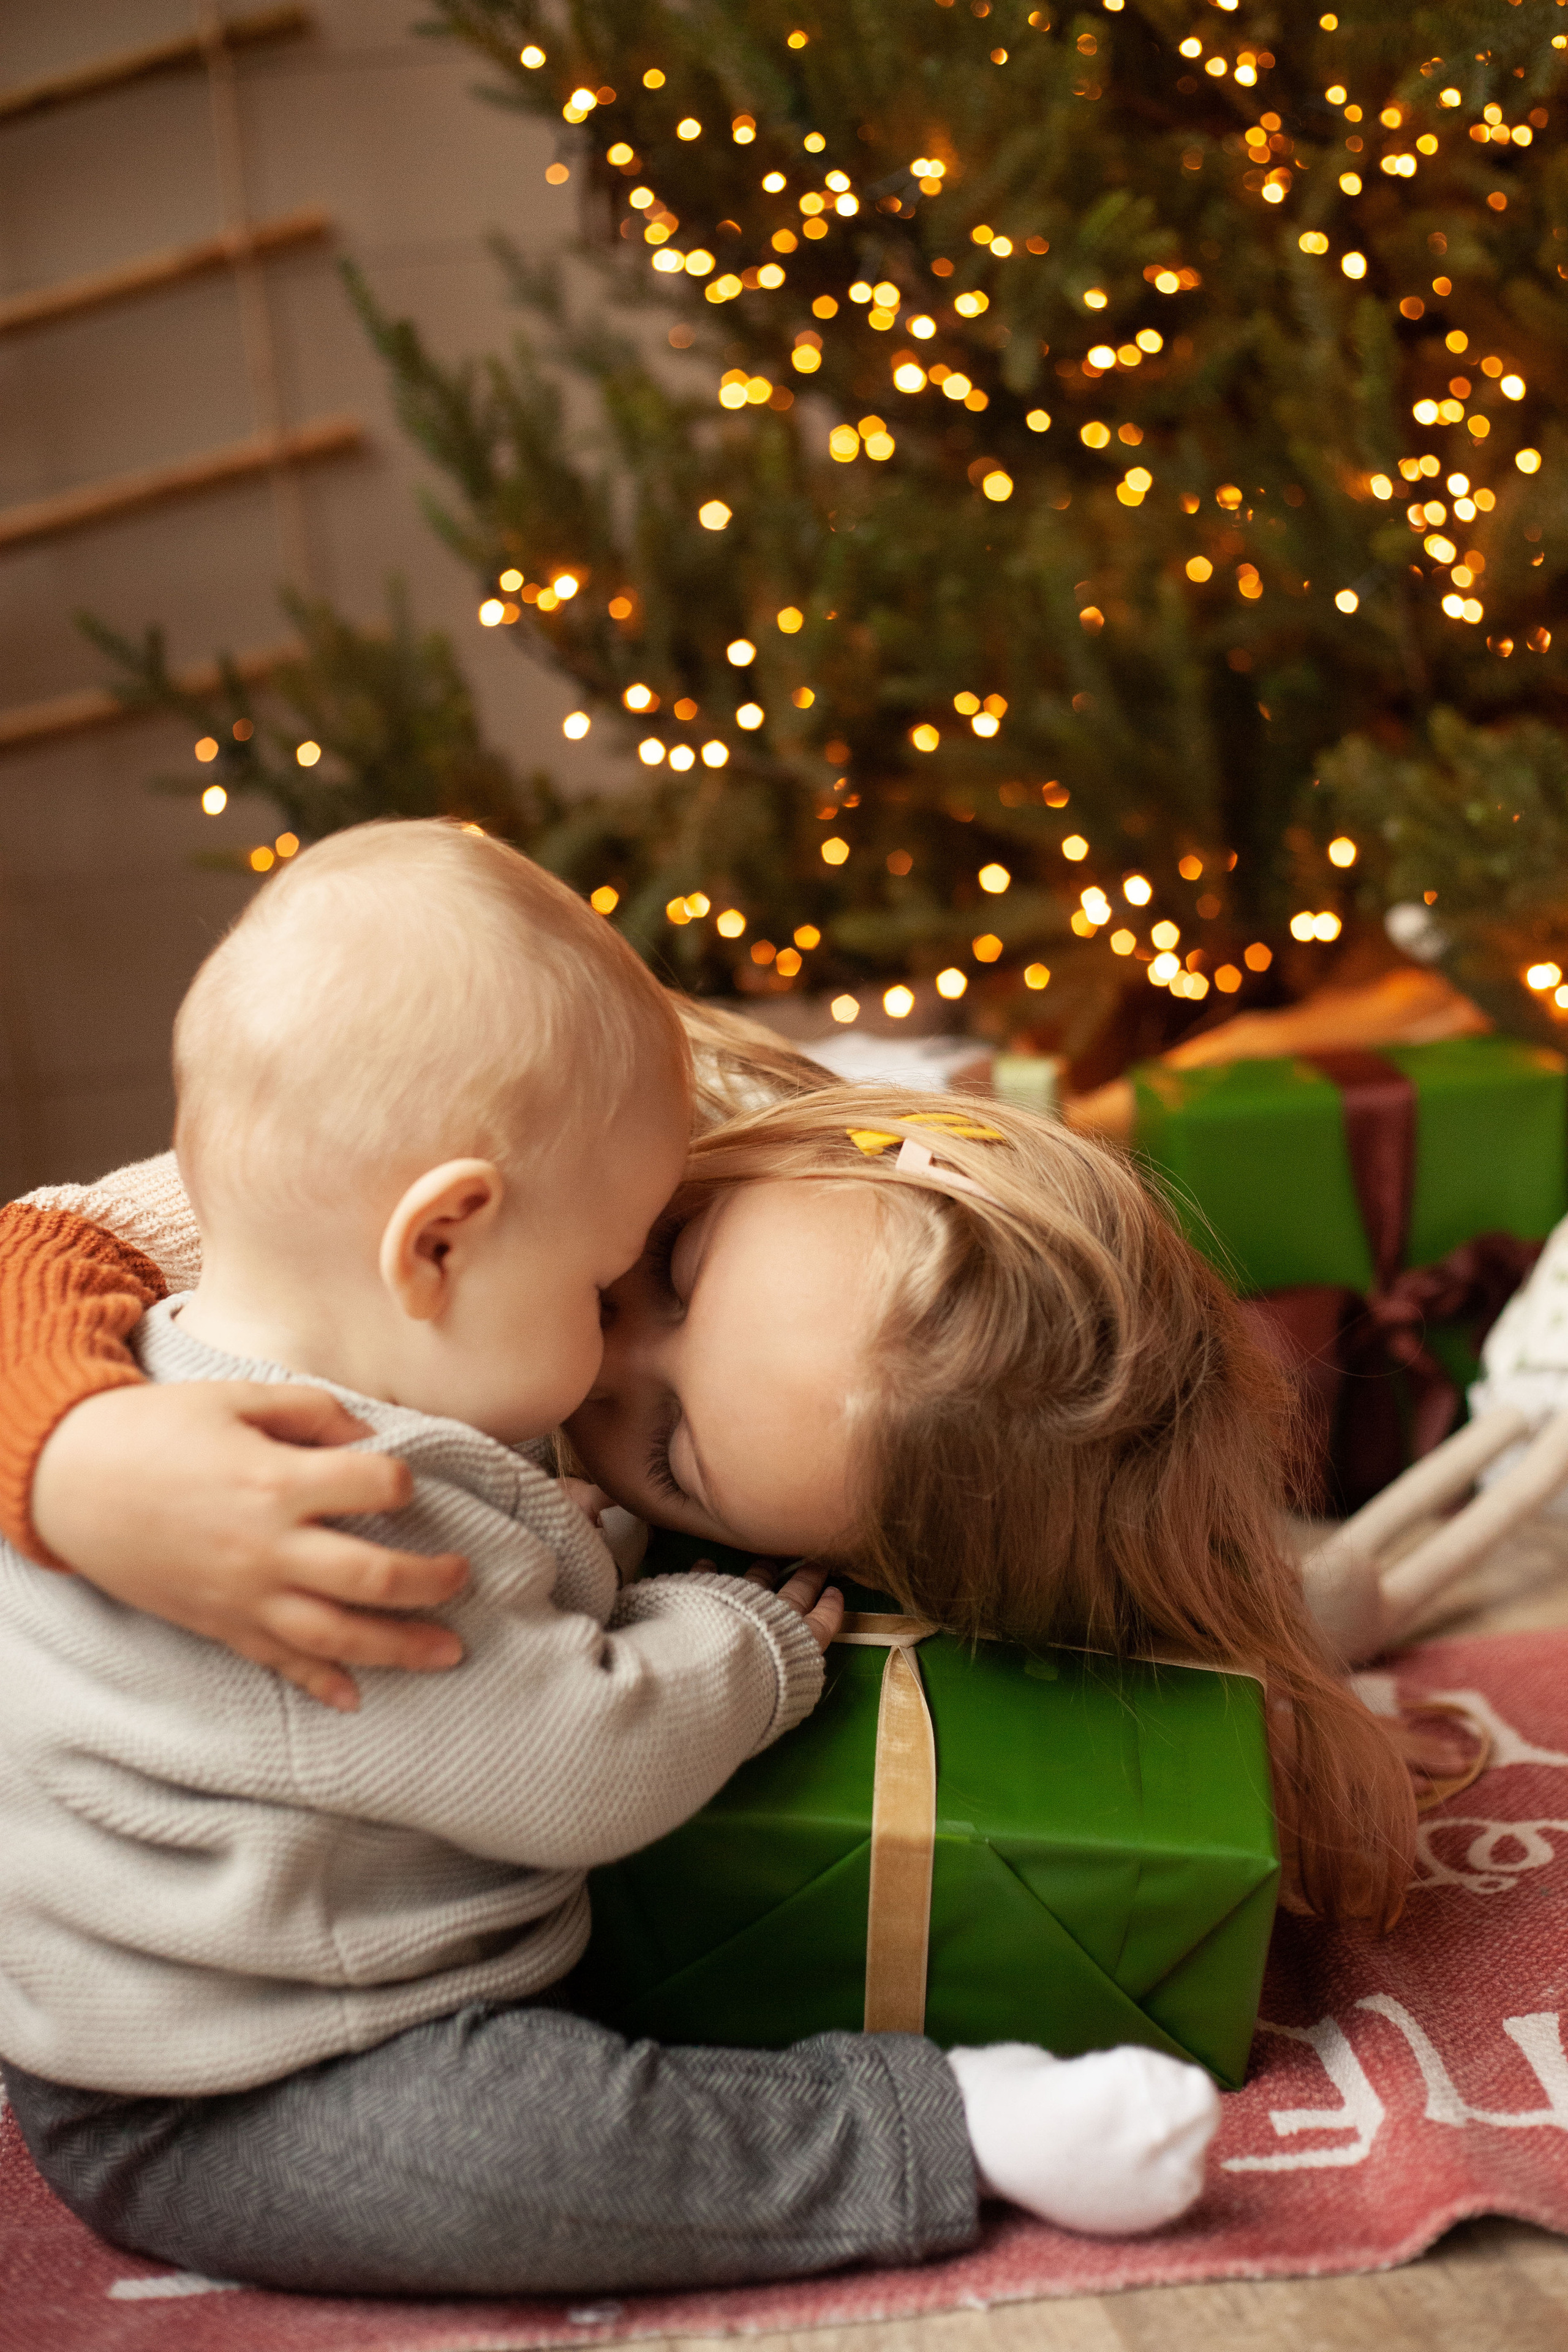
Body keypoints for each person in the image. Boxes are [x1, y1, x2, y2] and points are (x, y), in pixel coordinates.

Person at [0, 820, 1222, 2298]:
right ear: (441, 1243)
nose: (598, 1375)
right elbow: (573, 1757)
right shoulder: (336, 1470)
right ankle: (931, 2127)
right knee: (503, 2162)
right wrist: (747, 1642)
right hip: (235, 2065)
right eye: (634, 1274)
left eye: (676, 1455)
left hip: (264, 1911)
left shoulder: (491, 1204)